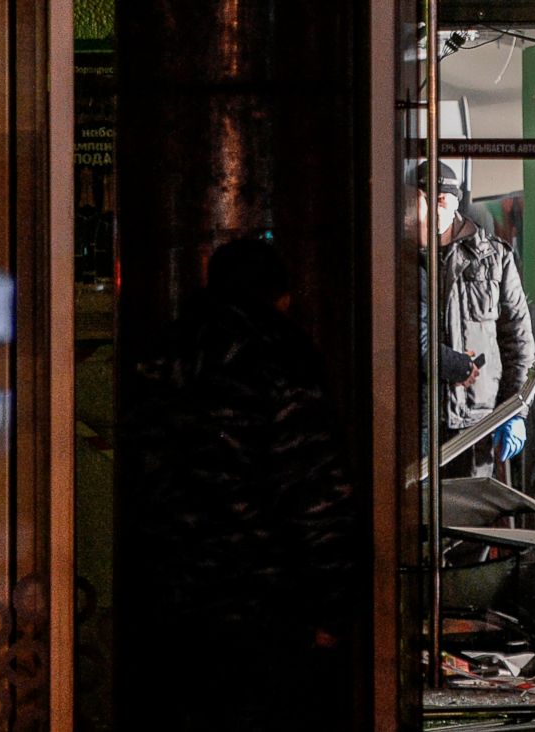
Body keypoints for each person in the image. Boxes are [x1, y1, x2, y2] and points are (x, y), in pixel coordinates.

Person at [118, 237, 358, 731]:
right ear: (283, 298)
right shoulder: (281, 362)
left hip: (167, 600)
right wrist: (334, 609)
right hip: (262, 607)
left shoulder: (162, 354)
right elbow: (315, 495)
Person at [416, 160, 535, 478]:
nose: (435, 206)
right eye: (427, 197)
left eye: (442, 197)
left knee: (469, 519)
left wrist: (515, 411)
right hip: (415, 423)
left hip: (474, 423)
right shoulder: (400, 259)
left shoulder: (494, 258)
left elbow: (518, 340)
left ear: (457, 200)